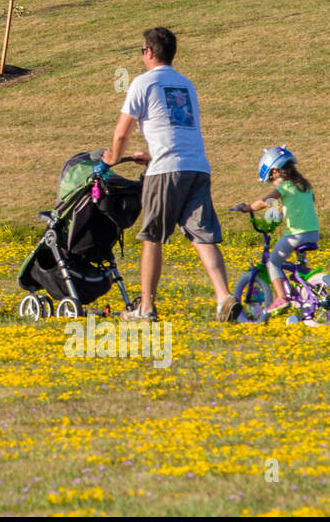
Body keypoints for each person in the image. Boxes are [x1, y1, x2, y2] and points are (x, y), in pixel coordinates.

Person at [96, 27, 236, 322]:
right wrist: (150, 153)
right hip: (196, 166)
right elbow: (180, 128)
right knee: (202, 236)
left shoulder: (143, 83)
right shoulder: (186, 85)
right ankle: (224, 297)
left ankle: (146, 308)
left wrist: (112, 158)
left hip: (165, 171)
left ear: (148, 52)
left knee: (153, 237)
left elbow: (121, 132)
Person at [234, 147, 319, 315]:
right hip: (313, 233)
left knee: (273, 263)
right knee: (299, 268)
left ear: (276, 172)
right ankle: (307, 289)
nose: (272, 183)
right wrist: (278, 216)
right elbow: (295, 209)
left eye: (271, 179)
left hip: (295, 235)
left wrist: (247, 207)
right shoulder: (304, 186)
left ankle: (281, 297)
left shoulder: (285, 186)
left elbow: (265, 202)